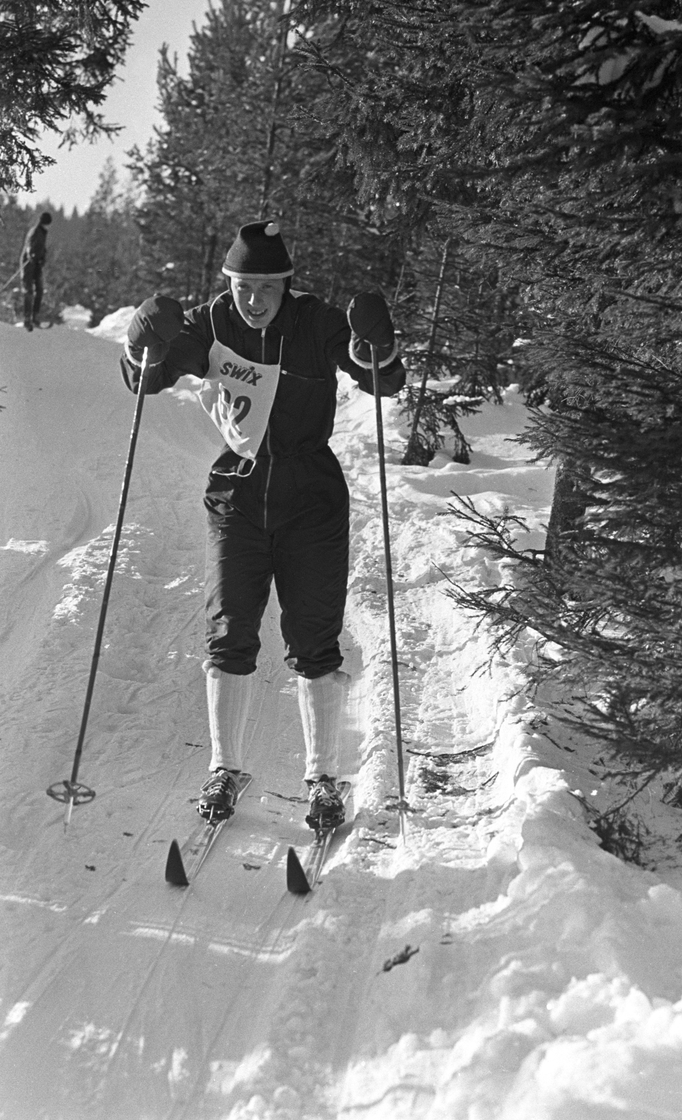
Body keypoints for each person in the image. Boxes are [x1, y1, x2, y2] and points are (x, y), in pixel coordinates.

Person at [121, 220, 405, 831]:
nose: (253, 300)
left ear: (286, 286)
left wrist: (375, 344)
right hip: (238, 492)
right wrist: (141, 343)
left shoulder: (315, 320)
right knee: (230, 629)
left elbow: (382, 378)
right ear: (229, 284)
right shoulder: (211, 322)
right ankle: (224, 769)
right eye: (242, 286)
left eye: (266, 288)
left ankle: (324, 780)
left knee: (314, 638)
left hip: (311, 496)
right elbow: (146, 378)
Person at [20, 211, 52, 330]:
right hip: (28, 263)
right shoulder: (35, 231)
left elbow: (42, 248)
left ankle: (35, 317)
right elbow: (29, 245)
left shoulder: (43, 232)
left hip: (37, 264)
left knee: (40, 290)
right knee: (28, 291)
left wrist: (42, 258)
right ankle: (27, 319)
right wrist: (31, 256)